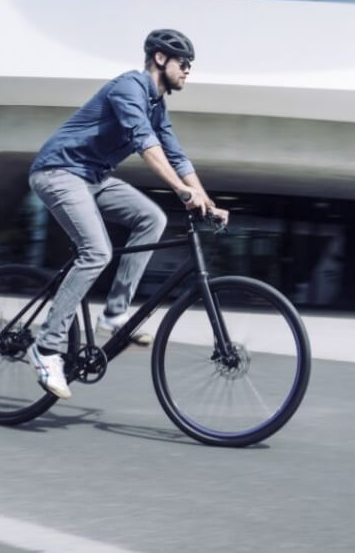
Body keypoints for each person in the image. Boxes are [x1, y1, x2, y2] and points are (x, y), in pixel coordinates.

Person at [27, 29, 229, 399]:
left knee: (152, 219)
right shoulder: (128, 88)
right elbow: (145, 143)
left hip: (93, 178)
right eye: (184, 64)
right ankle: (46, 348)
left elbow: (176, 154)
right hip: (58, 172)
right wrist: (181, 191)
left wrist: (207, 201)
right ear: (160, 59)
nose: (188, 72)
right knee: (97, 252)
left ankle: (114, 315)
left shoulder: (158, 105)